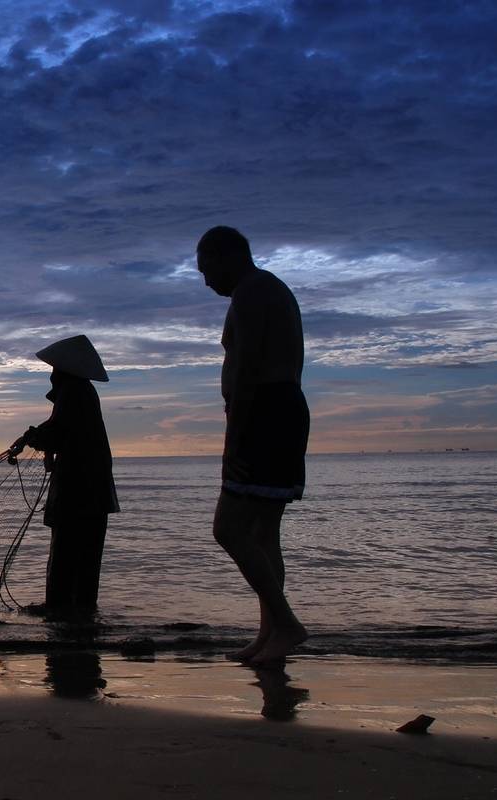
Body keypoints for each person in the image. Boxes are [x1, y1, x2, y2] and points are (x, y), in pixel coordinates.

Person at [196, 225, 310, 664]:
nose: (206, 281)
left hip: (264, 415)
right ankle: (270, 634)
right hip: (283, 412)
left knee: (228, 529)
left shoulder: (250, 293)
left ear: (228, 256)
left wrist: (233, 439)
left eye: (207, 270)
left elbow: (244, 373)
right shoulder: (271, 289)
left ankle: (286, 623)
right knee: (264, 534)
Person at [8, 334, 119, 617]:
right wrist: (30, 436)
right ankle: (81, 613)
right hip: (93, 489)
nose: (52, 377)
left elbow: (56, 434)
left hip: (78, 489)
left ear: (63, 372)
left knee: (66, 552)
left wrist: (32, 438)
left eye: (54, 371)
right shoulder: (81, 392)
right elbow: (57, 428)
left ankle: (60, 610)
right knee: (86, 556)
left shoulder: (73, 392)